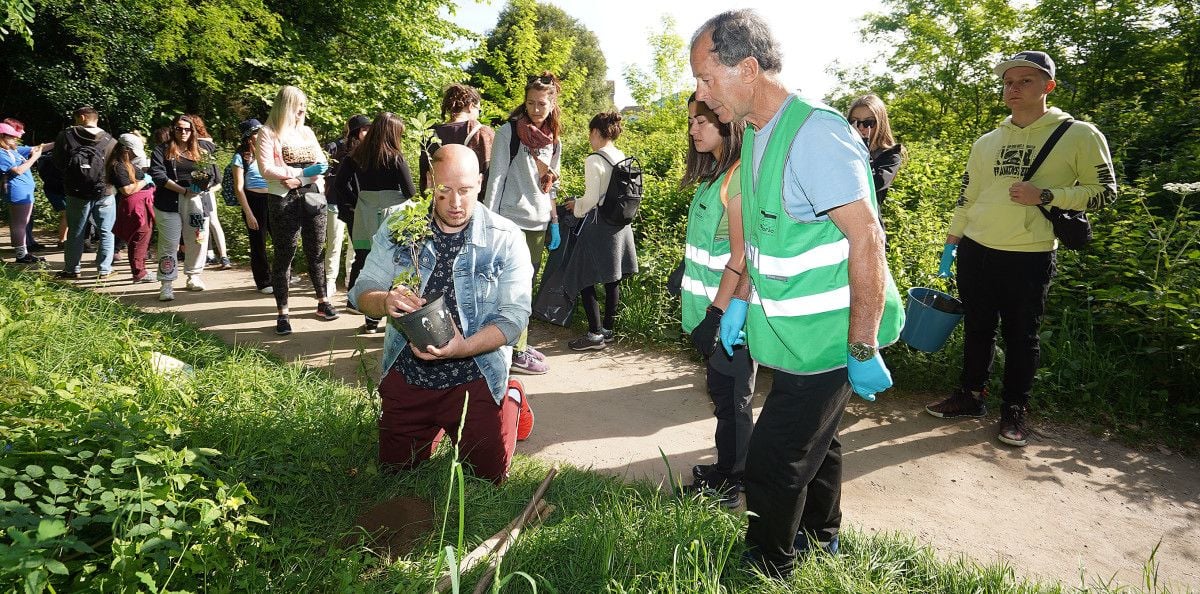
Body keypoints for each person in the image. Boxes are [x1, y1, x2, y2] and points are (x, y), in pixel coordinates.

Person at [689, 10, 904, 577]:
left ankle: (767, 566)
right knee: (819, 442)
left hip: (834, 336)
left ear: (750, 68)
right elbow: (763, 238)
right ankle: (821, 539)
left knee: (774, 457)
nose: (701, 94)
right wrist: (738, 303)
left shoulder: (817, 134)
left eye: (707, 78)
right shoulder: (759, 134)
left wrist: (861, 347)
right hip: (795, 335)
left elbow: (868, 240)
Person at [925, 51, 1116, 447]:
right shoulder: (987, 141)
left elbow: (1105, 193)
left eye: (1025, 81)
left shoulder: (1078, 134)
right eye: (1008, 82)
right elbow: (968, 195)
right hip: (976, 249)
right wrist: (952, 240)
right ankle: (971, 396)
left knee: (1021, 336)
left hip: (1029, 254)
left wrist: (1046, 194)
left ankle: (1014, 410)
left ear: (1048, 85)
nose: (1013, 88)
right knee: (977, 328)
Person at [349, 144, 534, 485]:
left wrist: (463, 348)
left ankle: (509, 398)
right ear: (429, 183)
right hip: (409, 372)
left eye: (465, 191)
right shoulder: (400, 227)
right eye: (444, 191)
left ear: (480, 182)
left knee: (487, 482)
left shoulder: (505, 238)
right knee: (395, 475)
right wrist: (385, 301)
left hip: (475, 373)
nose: (455, 203)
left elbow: (514, 318)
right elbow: (361, 291)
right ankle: (433, 424)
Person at [677, 94, 754, 508]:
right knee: (722, 392)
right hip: (711, 309)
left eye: (700, 121)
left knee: (733, 398)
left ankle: (733, 479)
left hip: (727, 316)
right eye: (690, 122)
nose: (693, 129)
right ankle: (727, 467)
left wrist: (718, 312)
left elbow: (742, 254)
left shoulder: (738, 177)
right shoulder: (716, 173)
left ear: (726, 122)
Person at [483, 72, 564, 375]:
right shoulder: (509, 132)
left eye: (542, 104)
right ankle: (505, 346)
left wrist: (554, 220)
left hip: (539, 222)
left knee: (526, 288)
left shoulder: (555, 140)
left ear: (552, 102)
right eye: (530, 103)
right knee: (504, 285)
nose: (535, 109)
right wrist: (488, 220)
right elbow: (497, 177)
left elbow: (551, 184)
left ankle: (518, 342)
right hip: (509, 220)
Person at [255, 85, 336, 335]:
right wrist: (300, 173)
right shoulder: (267, 133)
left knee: (316, 251)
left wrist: (299, 180)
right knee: (285, 253)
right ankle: (283, 313)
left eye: (304, 104)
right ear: (286, 105)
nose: (302, 109)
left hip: (311, 197)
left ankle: (323, 302)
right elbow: (266, 169)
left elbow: (321, 164)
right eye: (298, 104)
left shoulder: (307, 133)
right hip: (283, 201)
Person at [332, 112, 417, 334]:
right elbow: (410, 191)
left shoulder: (355, 156)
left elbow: (339, 185)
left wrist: (358, 203)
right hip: (394, 215)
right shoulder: (395, 157)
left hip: (365, 214)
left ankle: (370, 318)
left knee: (368, 261)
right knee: (396, 263)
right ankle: (396, 318)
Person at [561, 112, 638, 351]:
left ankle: (595, 335)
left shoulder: (593, 160)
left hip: (598, 225)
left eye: (590, 133)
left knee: (583, 276)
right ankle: (608, 329)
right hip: (620, 225)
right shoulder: (621, 156)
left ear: (596, 132)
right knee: (612, 277)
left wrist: (576, 207)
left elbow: (592, 198)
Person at [149, 114, 220, 300]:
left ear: (193, 131)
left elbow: (213, 175)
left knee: (197, 239)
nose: (183, 132)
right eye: (179, 128)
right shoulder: (162, 150)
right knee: (170, 242)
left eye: (187, 129)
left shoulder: (202, 150)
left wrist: (201, 187)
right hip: (169, 203)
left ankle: (193, 275)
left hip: (196, 202)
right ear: (173, 129)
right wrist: (183, 190)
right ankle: (166, 283)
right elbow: (158, 175)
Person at [54, 105, 119, 280]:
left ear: (82, 117)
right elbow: (115, 167)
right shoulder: (110, 140)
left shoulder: (65, 136)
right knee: (106, 231)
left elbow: (58, 163)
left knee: (76, 230)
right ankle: (104, 269)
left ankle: (72, 269)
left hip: (76, 192)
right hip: (105, 191)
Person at [324, 114, 370, 299]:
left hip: (358, 209)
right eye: (364, 129)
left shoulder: (367, 152)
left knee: (355, 248)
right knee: (334, 244)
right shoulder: (336, 148)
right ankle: (329, 282)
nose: (368, 133)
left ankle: (350, 282)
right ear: (355, 131)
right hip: (335, 203)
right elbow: (329, 178)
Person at [419, 83, 495, 194]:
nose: (478, 114)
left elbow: (425, 175)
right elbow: (490, 173)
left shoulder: (430, 134)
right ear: (470, 106)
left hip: (440, 199)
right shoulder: (482, 133)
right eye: (479, 110)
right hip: (472, 200)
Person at [847, 94, 905, 237]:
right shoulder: (842, 151)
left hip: (869, 231)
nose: (860, 127)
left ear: (880, 123)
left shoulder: (891, 155)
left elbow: (874, 183)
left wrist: (862, 148)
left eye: (868, 122)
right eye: (854, 122)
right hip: (840, 231)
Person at [0, 121, 52, 264]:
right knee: (20, 224)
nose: (15, 138)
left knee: (22, 223)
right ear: (2, 136)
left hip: (23, 191)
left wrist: (60, 139)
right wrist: (35, 157)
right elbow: (18, 170)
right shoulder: (1, 153)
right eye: (11, 136)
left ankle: (23, 253)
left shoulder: (11, 150)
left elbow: (38, 148)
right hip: (17, 192)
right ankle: (21, 255)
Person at [108, 133, 157, 282]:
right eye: (134, 152)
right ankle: (139, 273)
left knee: (143, 237)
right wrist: (145, 181)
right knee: (138, 238)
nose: (135, 156)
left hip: (142, 204)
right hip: (135, 206)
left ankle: (142, 270)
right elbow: (127, 189)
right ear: (126, 150)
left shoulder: (128, 164)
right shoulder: (118, 166)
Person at [232, 118, 274, 294]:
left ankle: (280, 275)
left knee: (282, 240)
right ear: (249, 137)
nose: (262, 134)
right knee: (258, 243)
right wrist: (249, 213)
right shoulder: (241, 157)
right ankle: (264, 281)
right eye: (257, 132)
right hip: (253, 201)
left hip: (273, 199)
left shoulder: (269, 152)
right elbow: (239, 188)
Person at [188, 114, 231, 270]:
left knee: (208, 223)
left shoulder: (200, 149)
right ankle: (212, 255)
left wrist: (207, 190)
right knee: (205, 224)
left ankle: (219, 256)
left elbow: (215, 178)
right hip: (200, 192)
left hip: (203, 192)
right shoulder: (207, 146)